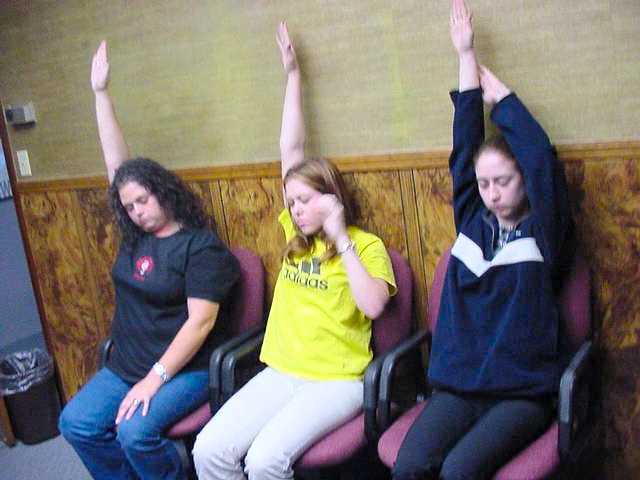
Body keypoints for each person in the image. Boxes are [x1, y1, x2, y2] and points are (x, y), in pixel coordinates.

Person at [192, 22, 397, 480]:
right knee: (208, 450)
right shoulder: (296, 236)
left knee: (266, 461)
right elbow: (291, 147)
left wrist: (341, 237)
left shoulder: (366, 246)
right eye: (292, 202)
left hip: (338, 380)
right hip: (282, 371)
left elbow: (373, 305)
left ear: (332, 197)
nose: (296, 209)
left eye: (305, 200)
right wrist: (293, 75)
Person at [391, 1, 575, 479]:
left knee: (458, 472)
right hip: (457, 389)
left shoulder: (544, 233)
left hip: (520, 394)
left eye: (504, 182)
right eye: (485, 183)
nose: (492, 193)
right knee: (409, 467)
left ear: (523, 181)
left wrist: (505, 103)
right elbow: (463, 152)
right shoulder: (473, 223)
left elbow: (542, 161)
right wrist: (465, 58)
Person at [58, 40, 240, 480]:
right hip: (127, 365)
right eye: (129, 206)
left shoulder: (200, 247)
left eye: (144, 200)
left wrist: (155, 378)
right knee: (76, 423)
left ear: (164, 191)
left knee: (134, 433)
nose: (137, 211)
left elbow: (200, 324)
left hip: (185, 369)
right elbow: (117, 167)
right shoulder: (135, 237)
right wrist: (100, 94)